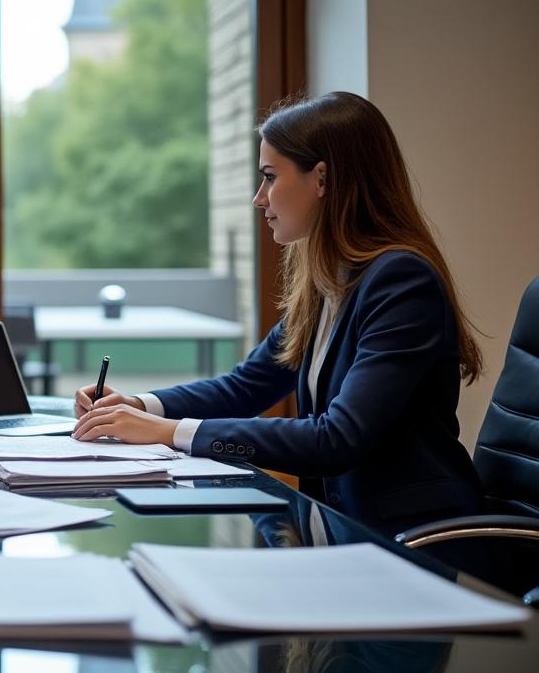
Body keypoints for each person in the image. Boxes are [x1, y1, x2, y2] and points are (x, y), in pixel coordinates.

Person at [72, 91, 484, 535]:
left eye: (270, 177)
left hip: (414, 543)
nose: (258, 198)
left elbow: (336, 439)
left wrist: (166, 430)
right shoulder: (328, 280)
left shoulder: (401, 281)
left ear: (322, 178)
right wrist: (138, 405)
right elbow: (245, 386)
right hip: (341, 534)